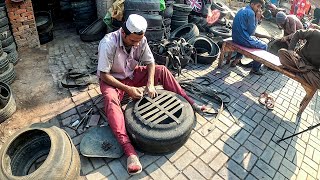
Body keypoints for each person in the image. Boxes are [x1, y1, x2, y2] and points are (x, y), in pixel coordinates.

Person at [97, 14, 204, 175]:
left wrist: (150, 83)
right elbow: (104, 75)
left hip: (131, 75)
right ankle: (129, 151)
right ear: (123, 33)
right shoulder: (108, 42)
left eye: (139, 41)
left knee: (162, 70)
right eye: (133, 41)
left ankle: (190, 102)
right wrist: (128, 90)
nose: (137, 44)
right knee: (110, 100)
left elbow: (151, 62)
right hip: (113, 80)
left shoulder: (140, 39)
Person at [231, 0, 272, 75]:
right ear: (252, 4)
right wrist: (257, 18)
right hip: (241, 39)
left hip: (235, 37)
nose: (259, 9)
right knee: (264, 46)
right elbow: (251, 33)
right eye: (258, 6)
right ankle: (255, 69)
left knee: (247, 38)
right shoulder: (251, 13)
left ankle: (236, 60)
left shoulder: (243, 9)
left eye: (260, 7)